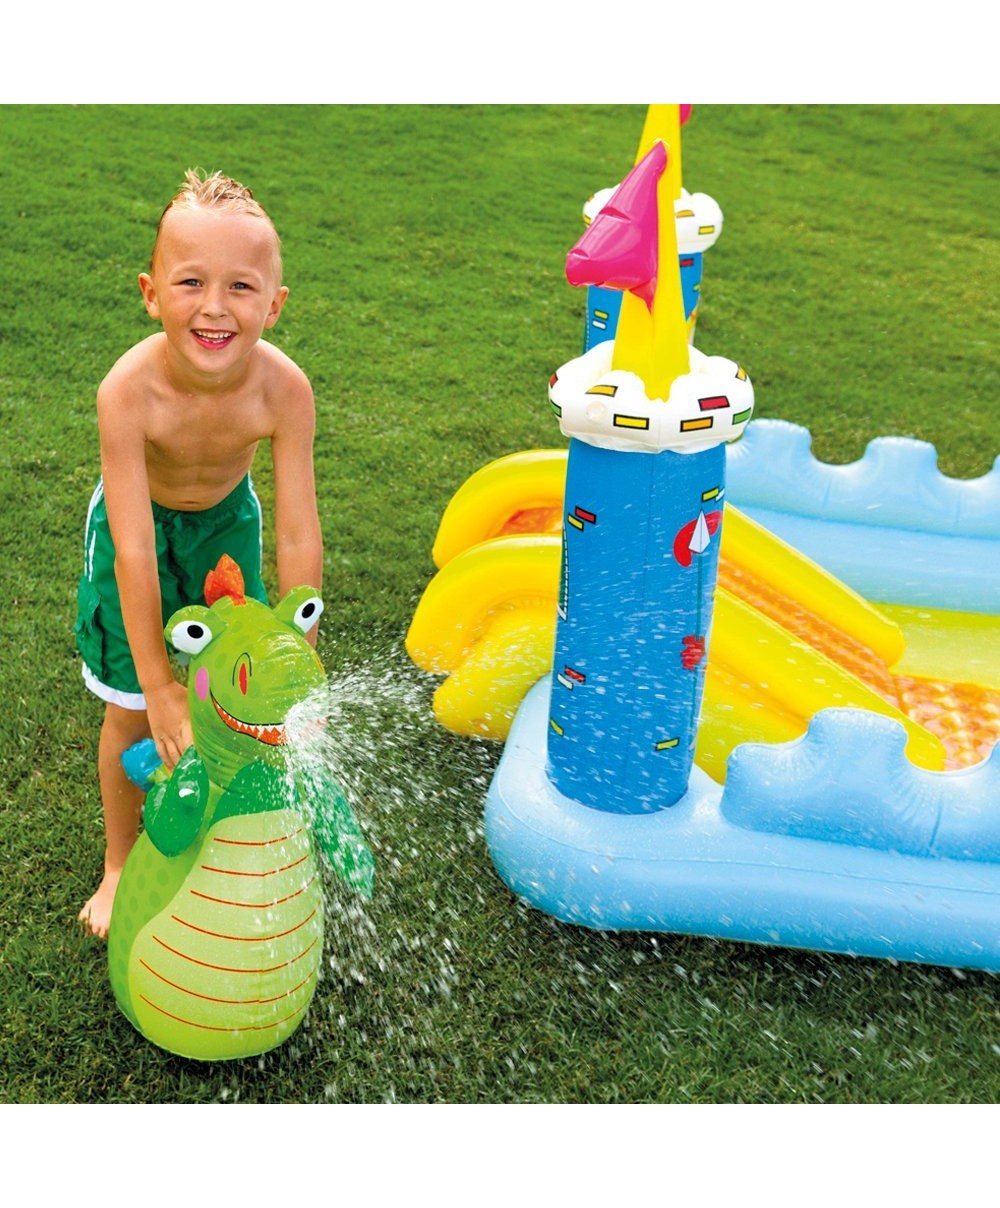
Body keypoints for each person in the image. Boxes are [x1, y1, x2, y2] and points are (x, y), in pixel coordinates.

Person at [74, 169, 323, 938]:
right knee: (129, 711)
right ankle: (120, 862)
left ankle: (220, 836)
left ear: (274, 305)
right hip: (135, 528)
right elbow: (134, 551)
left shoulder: (284, 390)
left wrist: (296, 656)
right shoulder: (127, 392)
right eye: (191, 282)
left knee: (235, 697)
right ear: (152, 294)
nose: (215, 307)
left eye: (241, 286)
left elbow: (297, 533)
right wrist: (157, 684)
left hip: (226, 527)